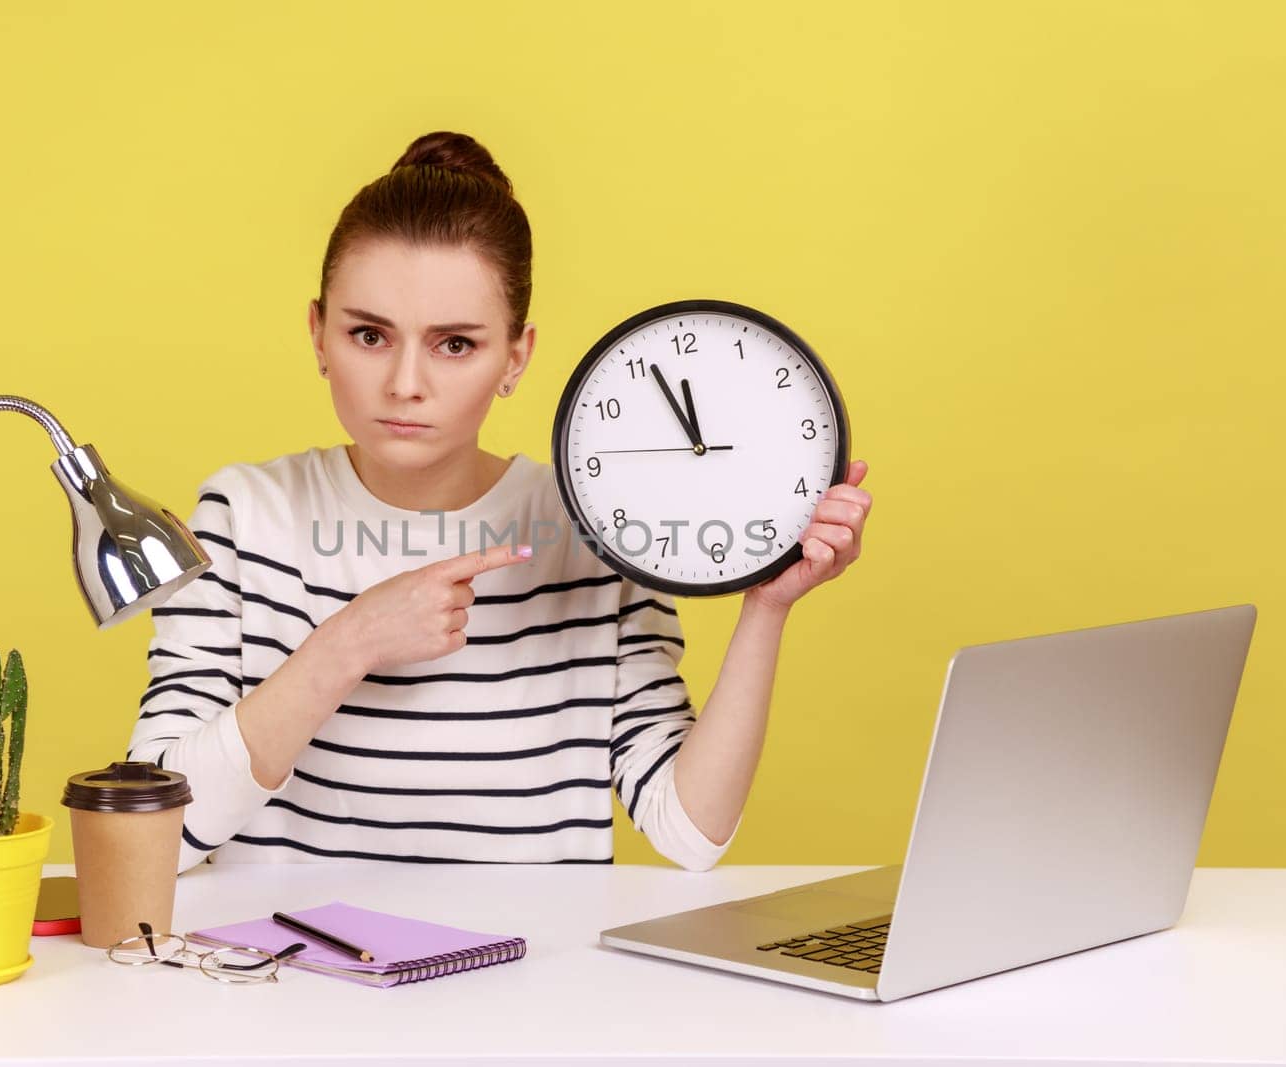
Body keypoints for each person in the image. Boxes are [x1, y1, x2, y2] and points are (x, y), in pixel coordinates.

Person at [127, 130, 872, 872]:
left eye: (455, 344)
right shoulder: (240, 515)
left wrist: (767, 606)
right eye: (369, 335)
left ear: (515, 358)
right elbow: (151, 836)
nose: (406, 384)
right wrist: (349, 642)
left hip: (527, 984)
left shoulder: (593, 524)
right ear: (319, 334)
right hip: (289, 974)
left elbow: (690, 831)